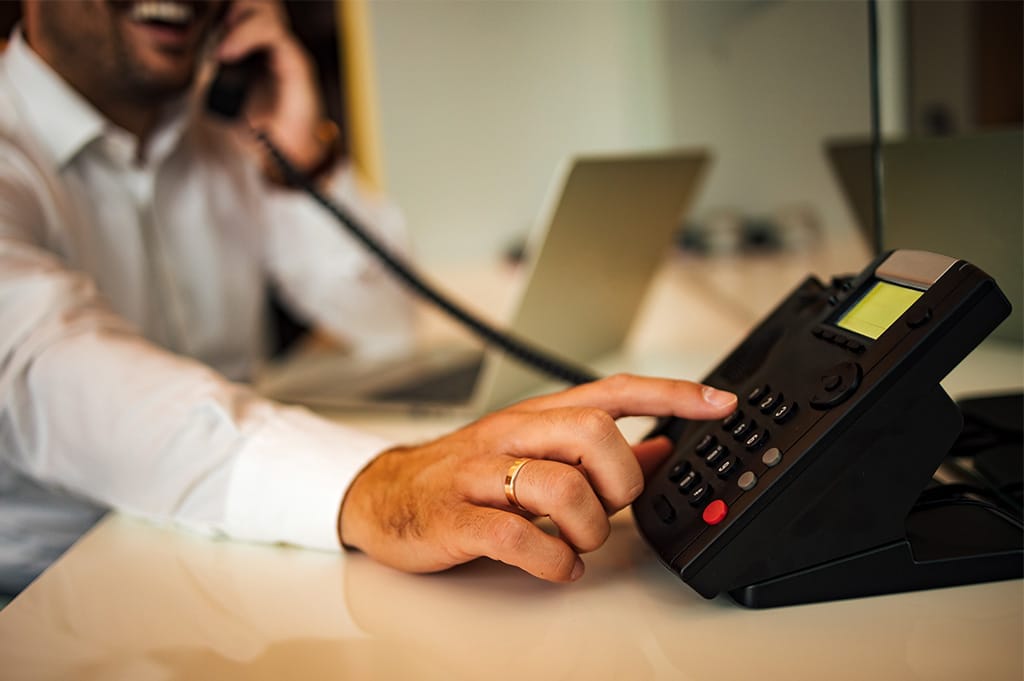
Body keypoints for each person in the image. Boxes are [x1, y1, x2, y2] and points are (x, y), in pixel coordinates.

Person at [0, 0, 737, 596]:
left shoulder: (223, 141)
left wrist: (304, 156)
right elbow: (43, 368)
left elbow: (382, 321)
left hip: (224, 550)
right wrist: (376, 481)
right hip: (51, 580)